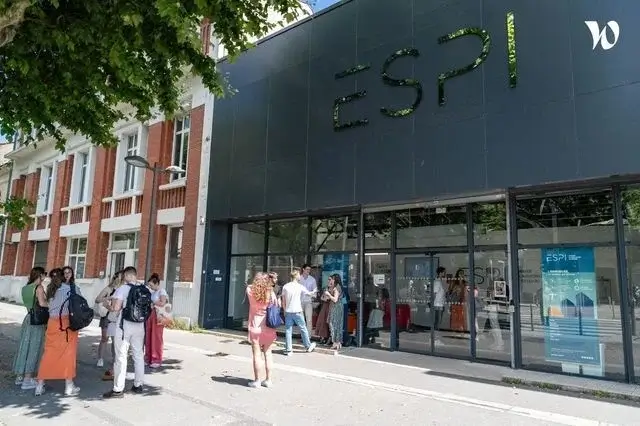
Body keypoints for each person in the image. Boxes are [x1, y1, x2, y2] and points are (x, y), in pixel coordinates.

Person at [103, 266, 149, 398]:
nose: (123, 279)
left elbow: (116, 308)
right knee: (138, 355)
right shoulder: (144, 288)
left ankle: (118, 389)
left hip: (124, 326)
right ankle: (138, 385)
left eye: (124, 276)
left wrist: (107, 305)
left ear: (128, 276)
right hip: (140, 325)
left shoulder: (122, 288)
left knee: (121, 356)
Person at [35, 266, 81, 396]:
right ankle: (69, 386)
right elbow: (80, 304)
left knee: (49, 353)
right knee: (69, 354)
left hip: (52, 323)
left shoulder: (51, 289)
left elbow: (46, 304)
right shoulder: (72, 289)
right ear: (62, 277)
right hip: (67, 324)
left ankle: (39, 385)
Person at [12, 267, 47, 390]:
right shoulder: (39, 287)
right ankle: (27, 379)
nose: (45, 276)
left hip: (28, 318)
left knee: (24, 347)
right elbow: (42, 303)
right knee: (34, 348)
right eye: (44, 274)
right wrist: (52, 304)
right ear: (40, 275)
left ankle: (20, 377)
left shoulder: (25, 288)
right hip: (37, 321)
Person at [246, 272, 278, 388]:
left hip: (255, 326)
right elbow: (276, 305)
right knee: (268, 353)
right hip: (268, 327)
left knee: (256, 354)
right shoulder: (271, 293)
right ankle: (268, 380)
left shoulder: (250, 291)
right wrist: (270, 289)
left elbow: (249, 286)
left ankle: (257, 381)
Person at [281, 267, 316, 356]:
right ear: (296, 276)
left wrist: (284, 310)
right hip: (297, 311)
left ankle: (288, 349)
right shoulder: (300, 286)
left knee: (288, 330)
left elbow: (283, 300)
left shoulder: (286, 286)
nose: (300, 276)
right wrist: (314, 291)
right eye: (299, 275)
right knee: (303, 328)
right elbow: (309, 293)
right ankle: (308, 346)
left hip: (288, 311)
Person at [95, 270, 123, 381]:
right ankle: (100, 358)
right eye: (117, 277)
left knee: (115, 340)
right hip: (107, 315)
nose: (119, 279)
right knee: (104, 338)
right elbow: (97, 299)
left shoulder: (123, 289)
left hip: (116, 317)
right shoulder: (109, 289)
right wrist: (108, 298)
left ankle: (115, 360)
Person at [145, 273, 168, 368]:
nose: (150, 287)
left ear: (156, 283)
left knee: (156, 337)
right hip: (151, 314)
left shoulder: (162, 291)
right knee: (149, 336)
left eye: (151, 285)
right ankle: (148, 357)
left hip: (158, 314)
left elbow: (163, 303)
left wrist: (153, 302)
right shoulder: (153, 292)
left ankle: (156, 359)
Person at [324, 274, 344, 350]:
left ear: (335, 280)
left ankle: (336, 343)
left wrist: (328, 294)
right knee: (336, 325)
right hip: (336, 307)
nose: (331, 281)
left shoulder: (337, 288)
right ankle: (337, 343)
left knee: (333, 324)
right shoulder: (336, 287)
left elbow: (335, 299)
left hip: (336, 308)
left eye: (332, 279)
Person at [299, 264, 317, 335]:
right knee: (301, 319)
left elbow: (315, 291)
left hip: (308, 301)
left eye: (309, 269)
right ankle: (302, 335)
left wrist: (311, 295)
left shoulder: (312, 279)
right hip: (299, 301)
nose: (308, 271)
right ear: (303, 269)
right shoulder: (299, 278)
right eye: (307, 269)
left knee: (309, 319)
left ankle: (308, 336)